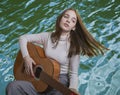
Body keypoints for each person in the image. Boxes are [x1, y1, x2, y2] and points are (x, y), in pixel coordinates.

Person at [6, 8, 108, 95]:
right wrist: (26, 57)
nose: (68, 21)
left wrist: (73, 89)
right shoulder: (47, 37)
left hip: (59, 84)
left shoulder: (74, 47)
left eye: (73, 20)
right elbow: (23, 38)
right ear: (60, 18)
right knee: (12, 86)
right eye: (66, 16)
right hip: (41, 79)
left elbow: (73, 73)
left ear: (74, 27)